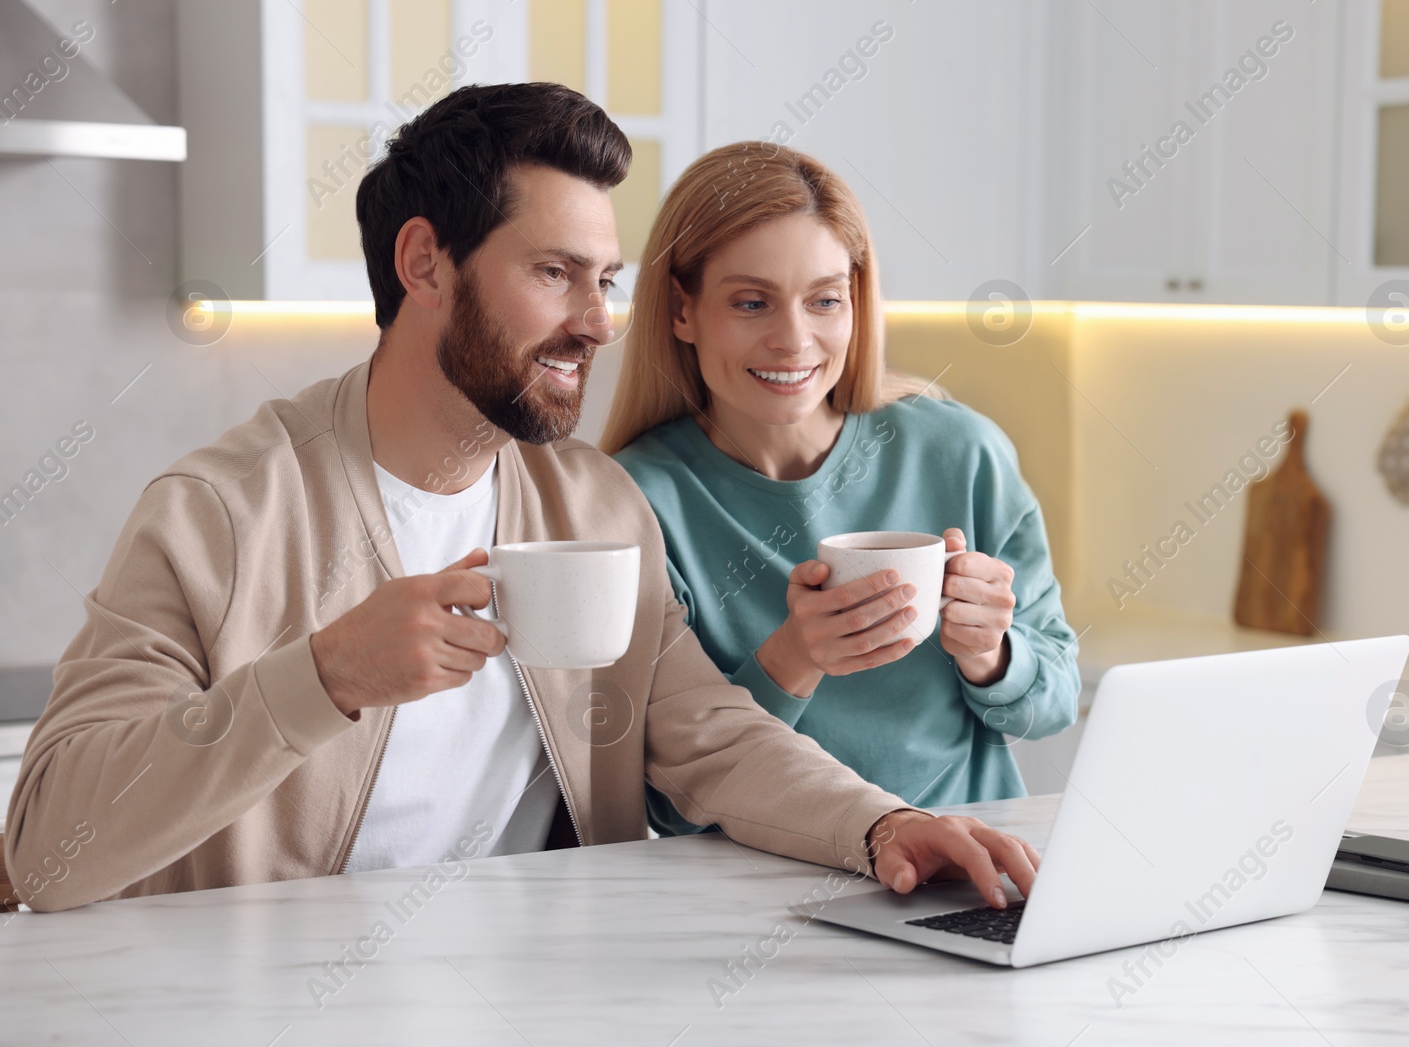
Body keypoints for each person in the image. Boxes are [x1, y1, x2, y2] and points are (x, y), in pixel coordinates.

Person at [2, 84, 1039, 913]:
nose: (598, 321)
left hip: (535, 994)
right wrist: (321, 676)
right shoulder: (216, 516)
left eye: (607, 280)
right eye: (556, 273)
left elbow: (709, 734)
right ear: (425, 264)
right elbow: (46, 852)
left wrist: (879, 825)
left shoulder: (590, 503)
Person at [601, 143, 1081, 836]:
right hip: (757, 888)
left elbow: (1057, 700)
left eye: (824, 299)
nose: (793, 340)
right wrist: (794, 658)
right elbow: (662, 802)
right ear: (682, 309)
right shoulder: (635, 501)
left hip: (973, 863)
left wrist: (993, 654)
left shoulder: (959, 452)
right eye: (751, 302)